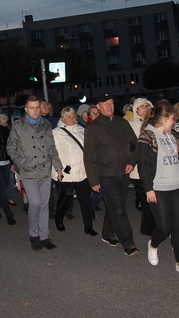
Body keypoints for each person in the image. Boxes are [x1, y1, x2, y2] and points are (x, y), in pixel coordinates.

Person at [138, 104, 179, 275]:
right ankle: (153, 244)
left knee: (178, 226)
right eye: (172, 119)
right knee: (164, 226)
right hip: (158, 187)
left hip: (177, 185)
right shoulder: (147, 136)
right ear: (164, 119)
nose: (174, 122)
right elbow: (142, 164)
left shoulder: (173, 135)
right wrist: (148, 188)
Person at [83, 93, 139, 256]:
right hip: (105, 174)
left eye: (111, 103)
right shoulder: (93, 128)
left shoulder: (123, 123)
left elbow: (135, 144)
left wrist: (131, 161)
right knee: (119, 209)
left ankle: (108, 233)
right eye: (105, 103)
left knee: (116, 206)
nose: (109, 106)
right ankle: (128, 243)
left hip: (123, 172)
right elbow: (89, 156)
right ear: (98, 107)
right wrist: (93, 180)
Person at [7, 96, 62, 250]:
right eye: (32, 108)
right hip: (29, 170)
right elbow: (10, 147)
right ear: (26, 109)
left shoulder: (45, 124)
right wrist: (22, 162)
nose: (35, 111)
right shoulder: (18, 126)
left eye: (38, 107)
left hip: (44, 168)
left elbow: (51, 147)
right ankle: (34, 235)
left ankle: (44, 236)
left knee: (45, 205)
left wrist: (58, 166)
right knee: (35, 203)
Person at [52, 106, 96, 236]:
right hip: (67, 172)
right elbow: (53, 152)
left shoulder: (82, 130)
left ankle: (88, 227)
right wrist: (58, 168)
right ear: (62, 118)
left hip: (83, 172)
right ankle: (58, 217)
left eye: (73, 116)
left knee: (85, 200)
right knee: (67, 198)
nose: (72, 119)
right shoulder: (56, 132)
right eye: (68, 116)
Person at [129, 98, 156, 236]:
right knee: (146, 200)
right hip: (137, 169)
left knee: (151, 200)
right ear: (135, 109)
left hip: (153, 167)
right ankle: (151, 229)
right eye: (142, 106)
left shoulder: (153, 124)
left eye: (147, 106)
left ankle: (148, 228)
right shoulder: (129, 125)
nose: (145, 109)